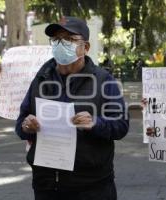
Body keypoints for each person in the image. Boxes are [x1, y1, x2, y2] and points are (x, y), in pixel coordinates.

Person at [15, 16, 129, 200]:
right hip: (46, 185)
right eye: (57, 39)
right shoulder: (40, 79)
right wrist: (26, 126)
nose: (62, 44)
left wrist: (96, 123)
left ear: (86, 47)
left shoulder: (104, 81)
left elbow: (121, 125)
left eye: (70, 39)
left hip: (92, 186)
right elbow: (21, 123)